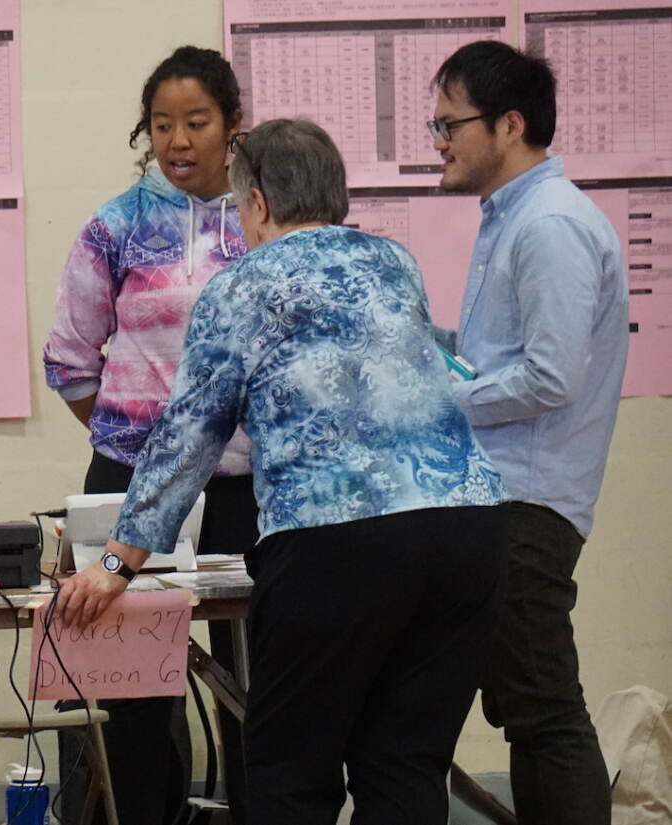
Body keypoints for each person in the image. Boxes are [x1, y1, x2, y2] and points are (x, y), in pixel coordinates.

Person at [54, 119, 508, 825]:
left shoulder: (242, 285)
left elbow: (189, 434)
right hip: (467, 529)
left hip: (338, 540)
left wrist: (116, 558)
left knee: (290, 773)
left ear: (258, 204)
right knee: (404, 764)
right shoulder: (395, 263)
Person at [42, 45, 256, 825]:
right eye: (162, 124)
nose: (178, 140)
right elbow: (69, 358)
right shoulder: (118, 224)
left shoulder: (267, 217)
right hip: (130, 484)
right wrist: (132, 431)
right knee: (134, 695)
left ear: (234, 124)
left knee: (255, 684)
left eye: (196, 121)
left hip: (248, 486)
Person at [430, 40, 629, 825]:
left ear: (509, 124)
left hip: (529, 504)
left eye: (450, 125)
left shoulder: (549, 224)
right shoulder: (510, 217)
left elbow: (550, 378)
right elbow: (497, 364)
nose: (439, 142)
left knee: (544, 710)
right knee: (527, 708)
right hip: (501, 497)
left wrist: (441, 397)